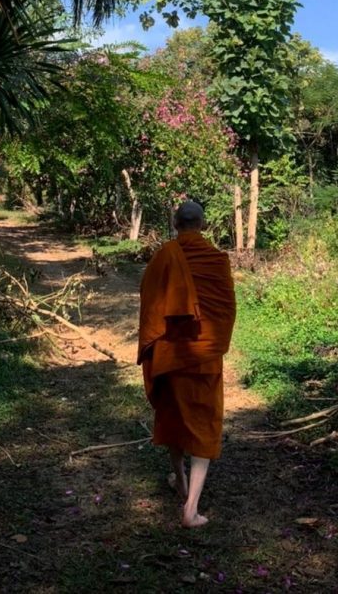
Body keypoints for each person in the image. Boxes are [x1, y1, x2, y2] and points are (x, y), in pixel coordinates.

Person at [137, 200, 236, 528]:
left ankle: (179, 479)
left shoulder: (164, 256)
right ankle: (190, 507)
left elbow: (150, 301)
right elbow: (226, 310)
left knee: (175, 417)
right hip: (204, 358)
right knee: (204, 425)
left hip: (170, 355)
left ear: (175, 224)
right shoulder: (217, 260)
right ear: (203, 224)